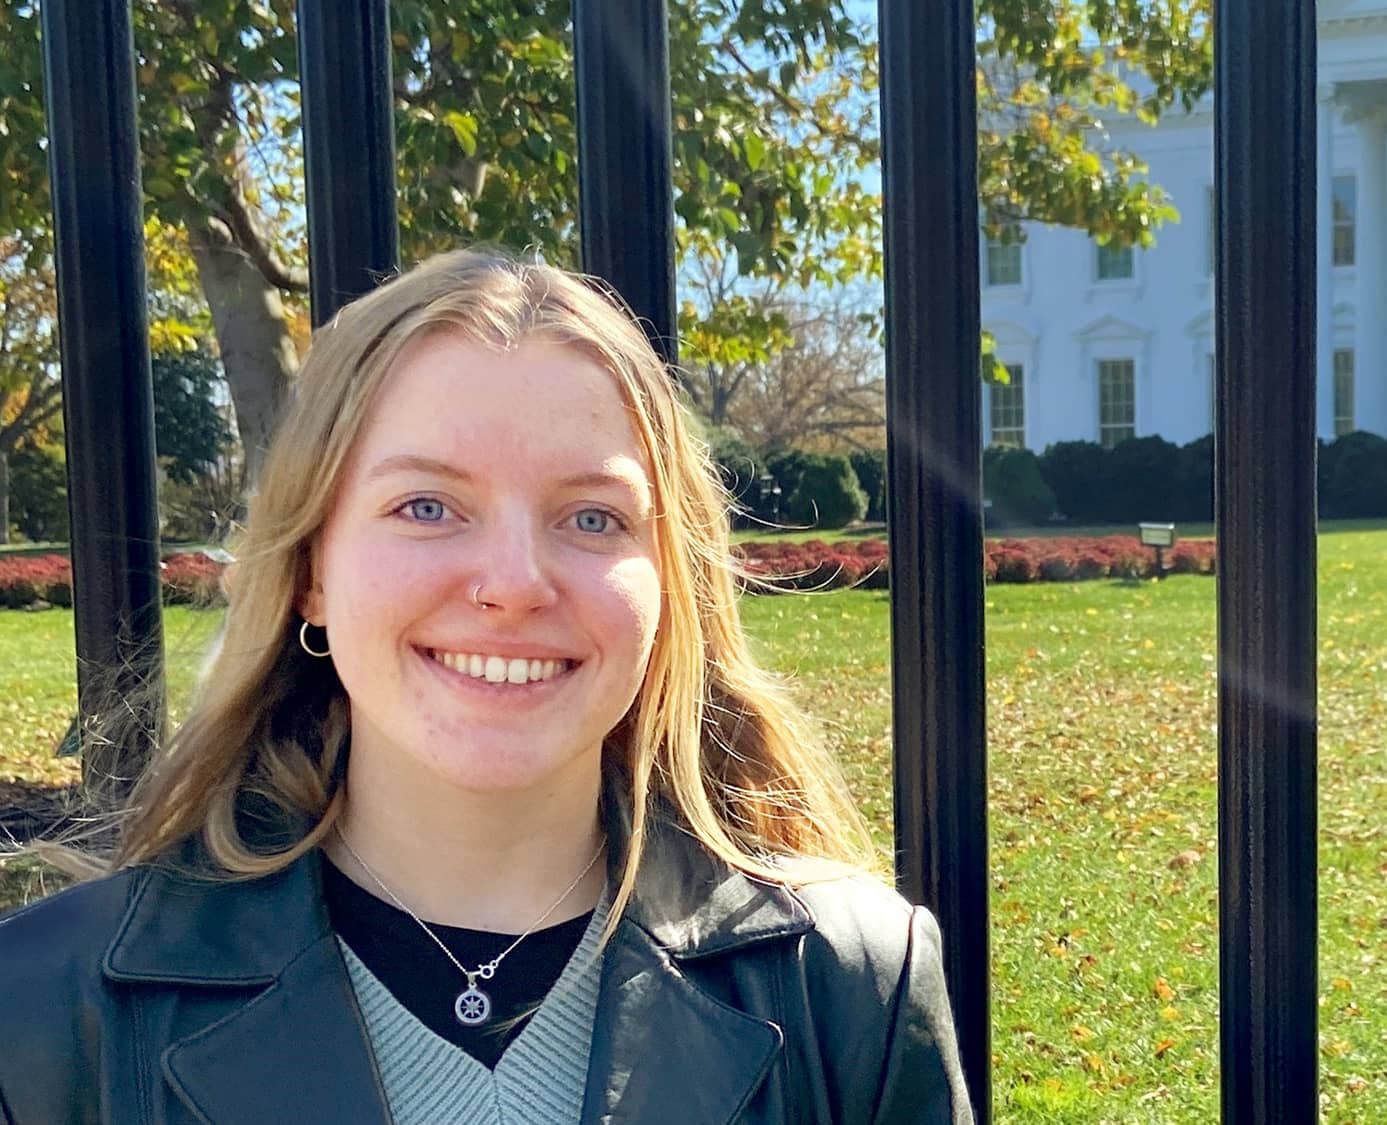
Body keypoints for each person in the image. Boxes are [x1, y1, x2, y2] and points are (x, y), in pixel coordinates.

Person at [0, 248, 972, 1124]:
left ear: (668, 582)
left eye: (592, 519)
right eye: (426, 506)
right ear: (312, 570)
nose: (512, 584)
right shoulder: (45, 1015)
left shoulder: (854, 989)